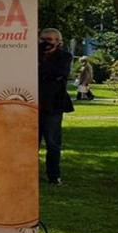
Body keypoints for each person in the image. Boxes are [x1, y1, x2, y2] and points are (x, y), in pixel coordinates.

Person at [38, 28, 74, 185]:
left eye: (50, 40)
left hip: (53, 105)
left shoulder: (65, 56)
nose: (46, 43)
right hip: (32, 103)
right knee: (30, 142)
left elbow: (60, 73)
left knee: (53, 143)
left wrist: (41, 67)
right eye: (43, 39)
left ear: (58, 42)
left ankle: (53, 175)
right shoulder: (30, 55)